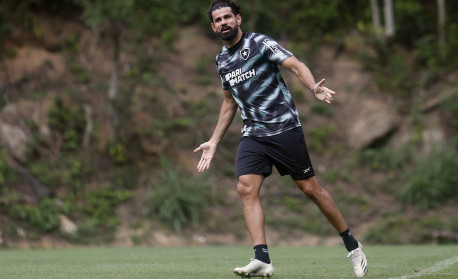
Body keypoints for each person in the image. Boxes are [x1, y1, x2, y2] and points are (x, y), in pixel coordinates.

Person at [194, 0, 368, 278]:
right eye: (218, 20)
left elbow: (295, 65)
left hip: (284, 128)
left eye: (228, 17)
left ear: (238, 19)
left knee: (310, 189)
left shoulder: (260, 43)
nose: (223, 22)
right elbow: (229, 102)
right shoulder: (222, 60)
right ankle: (261, 258)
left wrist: (313, 88)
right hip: (253, 133)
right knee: (245, 188)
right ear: (213, 27)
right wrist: (213, 141)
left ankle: (352, 245)